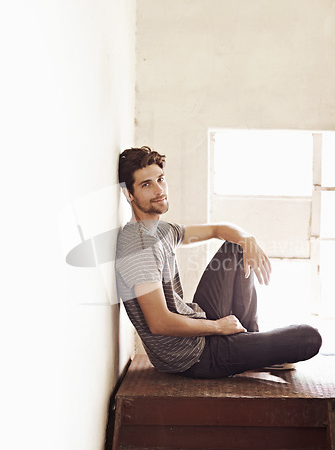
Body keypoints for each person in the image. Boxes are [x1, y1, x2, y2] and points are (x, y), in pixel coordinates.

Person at [115, 146, 322, 378]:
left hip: (198, 331)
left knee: (236, 244)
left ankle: (248, 340)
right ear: (128, 194)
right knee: (309, 337)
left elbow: (218, 229)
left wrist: (248, 239)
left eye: (160, 179)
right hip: (192, 357)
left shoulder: (161, 231)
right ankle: (248, 346)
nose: (159, 190)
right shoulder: (139, 246)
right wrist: (218, 327)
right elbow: (159, 323)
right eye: (146, 184)